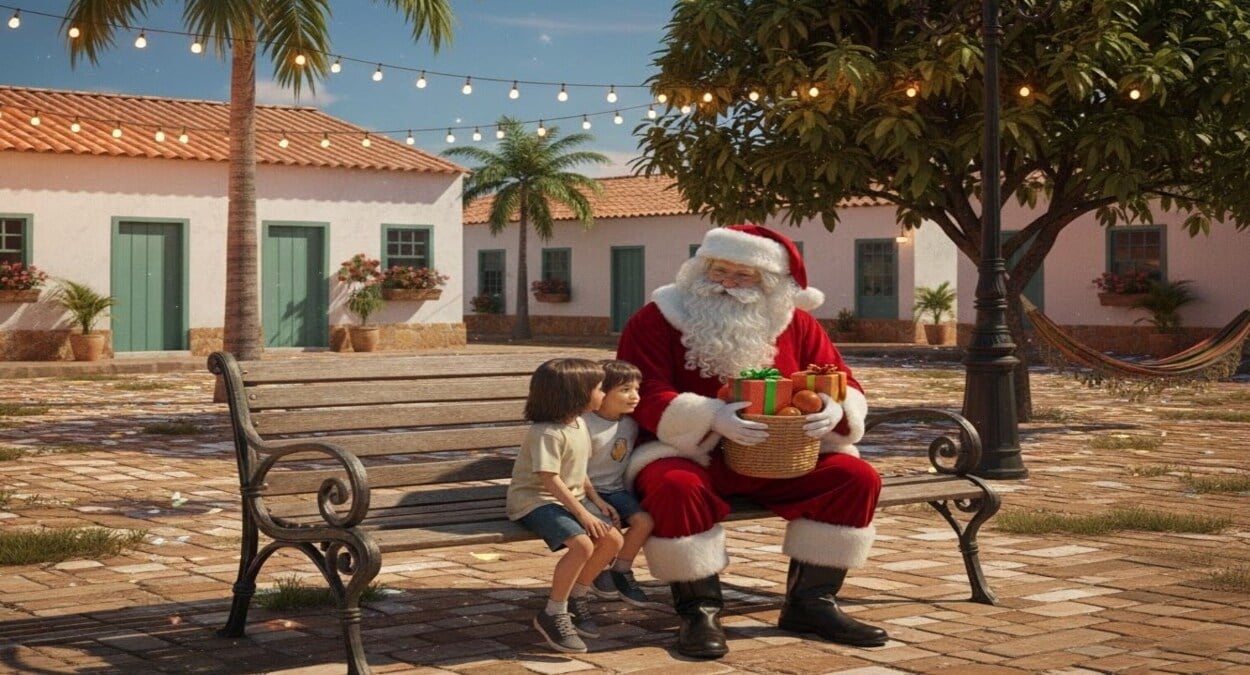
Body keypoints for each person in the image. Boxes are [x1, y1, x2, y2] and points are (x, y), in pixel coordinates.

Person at [616, 224, 888, 659]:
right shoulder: (656, 317)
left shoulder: (795, 322)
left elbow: (841, 380)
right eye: (717, 269)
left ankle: (811, 603)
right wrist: (712, 416)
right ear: (699, 268)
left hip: (778, 456)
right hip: (689, 452)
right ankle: (699, 611)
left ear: (771, 283)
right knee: (674, 487)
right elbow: (640, 390)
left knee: (853, 476)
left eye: (742, 276)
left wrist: (832, 407)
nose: (726, 283)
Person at [506, 358, 624, 654]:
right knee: (582, 546)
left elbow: (577, 469)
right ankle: (553, 612)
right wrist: (583, 514)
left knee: (613, 540)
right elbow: (549, 479)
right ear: (575, 393)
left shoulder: (579, 423)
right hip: (535, 501)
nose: (603, 392)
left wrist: (595, 500)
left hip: (571, 499)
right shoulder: (546, 432)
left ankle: (577, 596)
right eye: (599, 388)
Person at [582, 359, 661, 608]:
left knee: (644, 521)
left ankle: (621, 570)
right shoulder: (584, 424)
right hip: (586, 492)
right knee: (610, 533)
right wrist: (599, 503)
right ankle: (592, 576)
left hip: (616, 490)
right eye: (625, 390)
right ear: (601, 392)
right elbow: (574, 472)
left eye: (637, 389)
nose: (635, 396)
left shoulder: (631, 423)